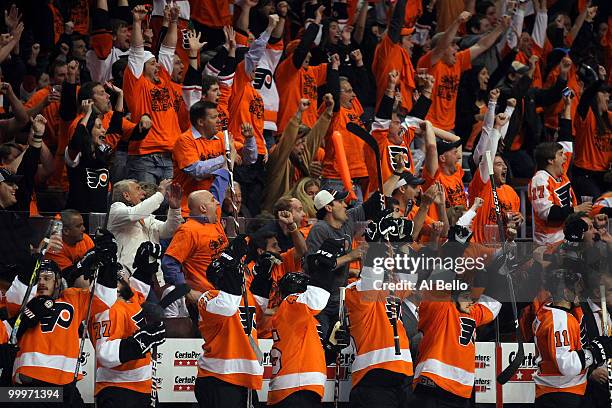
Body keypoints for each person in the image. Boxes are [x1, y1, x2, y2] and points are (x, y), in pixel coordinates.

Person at [5, 230, 118, 407]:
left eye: (47, 277)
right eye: (39, 278)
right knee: (7, 397)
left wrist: (109, 263)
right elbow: (17, 292)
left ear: (58, 281)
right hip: (30, 382)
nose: (42, 282)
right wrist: (37, 258)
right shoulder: (29, 297)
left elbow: (106, 299)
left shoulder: (73, 297)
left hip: (66, 382)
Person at [92, 242, 166, 408]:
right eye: (120, 278)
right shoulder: (109, 309)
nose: (126, 280)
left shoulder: (129, 300)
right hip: (119, 389)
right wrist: (140, 342)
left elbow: (137, 290)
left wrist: (146, 262)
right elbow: (105, 353)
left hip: (144, 384)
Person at [195, 235, 266, 407]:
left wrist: (265, 275)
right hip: (219, 377)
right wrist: (231, 260)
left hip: (245, 377)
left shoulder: (244, 296)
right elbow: (227, 306)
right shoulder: (209, 298)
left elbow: (261, 309)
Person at [533, 269, 612, 408]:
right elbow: (567, 365)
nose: (579, 293)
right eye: (575, 288)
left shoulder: (548, 312)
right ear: (565, 292)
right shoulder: (560, 319)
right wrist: (595, 351)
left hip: (560, 392)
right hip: (560, 394)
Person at [266, 252, 334, 407]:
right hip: (295, 388)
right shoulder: (291, 303)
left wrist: (331, 348)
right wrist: (325, 265)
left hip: (298, 387)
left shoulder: (300, 318)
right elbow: (317, 299)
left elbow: (306, 354)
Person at [123, 5, 182, 183]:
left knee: (168, 207)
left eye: (156, 63)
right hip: (145, 155)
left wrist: (173, 22)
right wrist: (137, 21)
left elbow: (168, 49)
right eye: (151, 63)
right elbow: (136, 50)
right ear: (141, 67)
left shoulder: (164, 79)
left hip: (168, 154)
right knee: (146, 206)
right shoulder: (136, 84)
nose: (157, 66)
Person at [172, 100, 256, 217]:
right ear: (201, 122)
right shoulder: (185, 140)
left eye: (218, 116)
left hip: (213, 209)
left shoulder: (222, 137)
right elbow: (196, 171)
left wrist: (250, 140)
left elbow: (249, 159)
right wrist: (226, 157)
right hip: (188, 210)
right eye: (214, 117)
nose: (219, 120)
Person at [162, 172, 230, 304]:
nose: (217, 202)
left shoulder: (214, 220)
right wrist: (186, 290)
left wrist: (225, 169)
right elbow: (169, 263)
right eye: (212, 200)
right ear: (203, 208)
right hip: (205, 297)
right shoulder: (188, 230)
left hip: (224, 293)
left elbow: (218, 190)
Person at [108, 178, 182, 274]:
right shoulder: (116, 210)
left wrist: (174, 209)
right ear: (126, 195)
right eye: (138, 189)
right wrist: (160, 194)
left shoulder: (146, 218)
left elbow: (168, 231)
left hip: (152, 275)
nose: (144, 193)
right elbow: (134, 214)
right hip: (128, 275)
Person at [529, 142, 592, 245]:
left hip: (567, 235)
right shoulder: (540, 179)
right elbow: (547, 213)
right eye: (561, 154)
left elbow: (567, 140)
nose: (565, 158)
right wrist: (576, 209)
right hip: (550, 241)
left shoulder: (562, 175)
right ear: (551, 160)